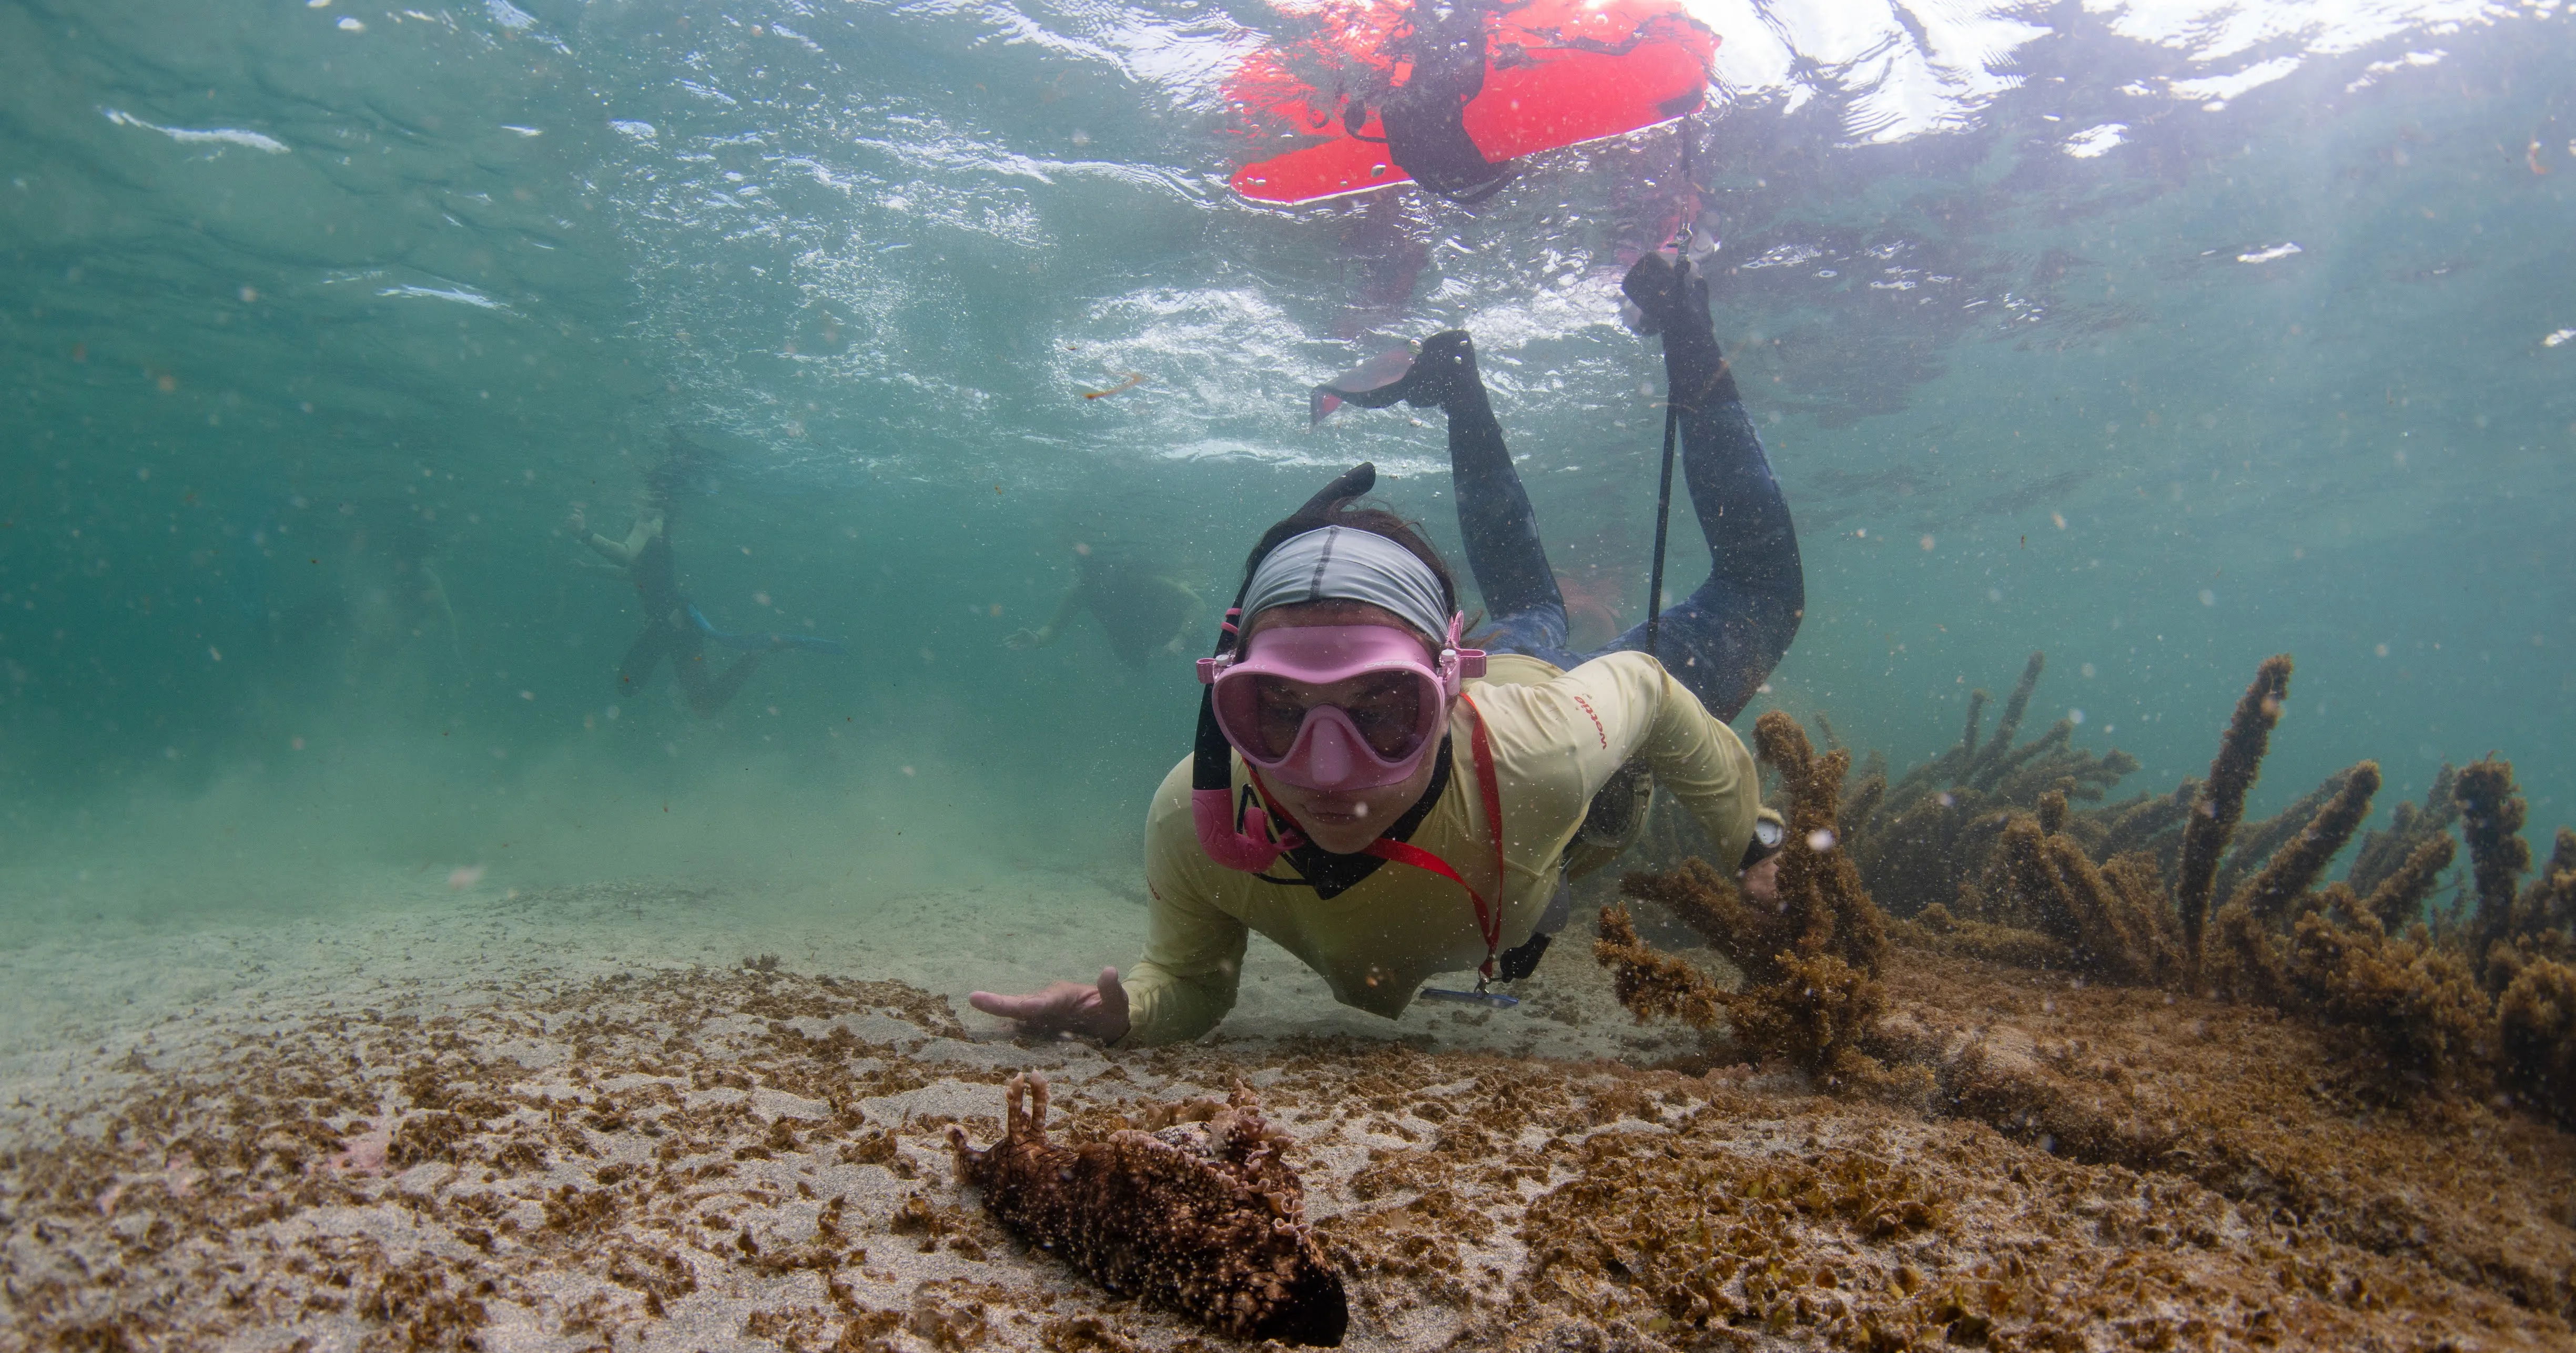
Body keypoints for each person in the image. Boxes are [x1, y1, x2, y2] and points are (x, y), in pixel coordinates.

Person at [970, 249, 1803, 1046]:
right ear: (1223, 698)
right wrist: (1125, 1014)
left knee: (1751, 591)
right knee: (1529, 605)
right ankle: (1458, 393)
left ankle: (1685, 320)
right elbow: (1188, 981)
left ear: (1443, 690)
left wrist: (1753, 843)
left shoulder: (1539, 751)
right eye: (1276, 712)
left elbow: (1650, 693)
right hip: (1490, 679)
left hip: (1523, 698)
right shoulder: (1197, 815)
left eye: (1381, 710)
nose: (1327, 771)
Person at [565, 475, 844, 715]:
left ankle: (756, 653)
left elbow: (625, 557)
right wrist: (590, 569)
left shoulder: (648, 524)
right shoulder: (656, 533)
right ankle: (756, 653)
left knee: (632, 686)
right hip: (679, 622)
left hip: (672, 622)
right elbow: (630, 573)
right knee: (703, 704)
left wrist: (584, 534)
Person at [1006, 554, 1207, 671]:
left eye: (1099, 572)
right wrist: (1037, 639)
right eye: (1089, 574)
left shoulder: (1140, 580)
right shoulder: (1081, 593)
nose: (1096, 580)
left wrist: (1180, 640)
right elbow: (1053, 627)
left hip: (1165, 626)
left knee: (1199, 643)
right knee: (1136, 667)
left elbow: (1197, 604)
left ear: (1111, 569)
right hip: (1127, 639)